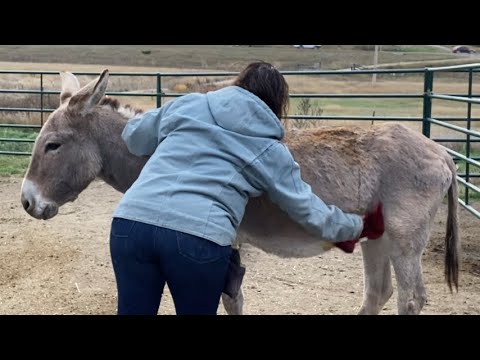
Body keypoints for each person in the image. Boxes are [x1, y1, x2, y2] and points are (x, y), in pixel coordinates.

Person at [109, 61, 384, 315]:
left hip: (131, 223)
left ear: (239, 85)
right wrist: (358, 226)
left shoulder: (188, 104)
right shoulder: (268, 148)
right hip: (198, 238)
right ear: (277, 104)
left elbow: (133, 136)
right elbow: (309, 210)